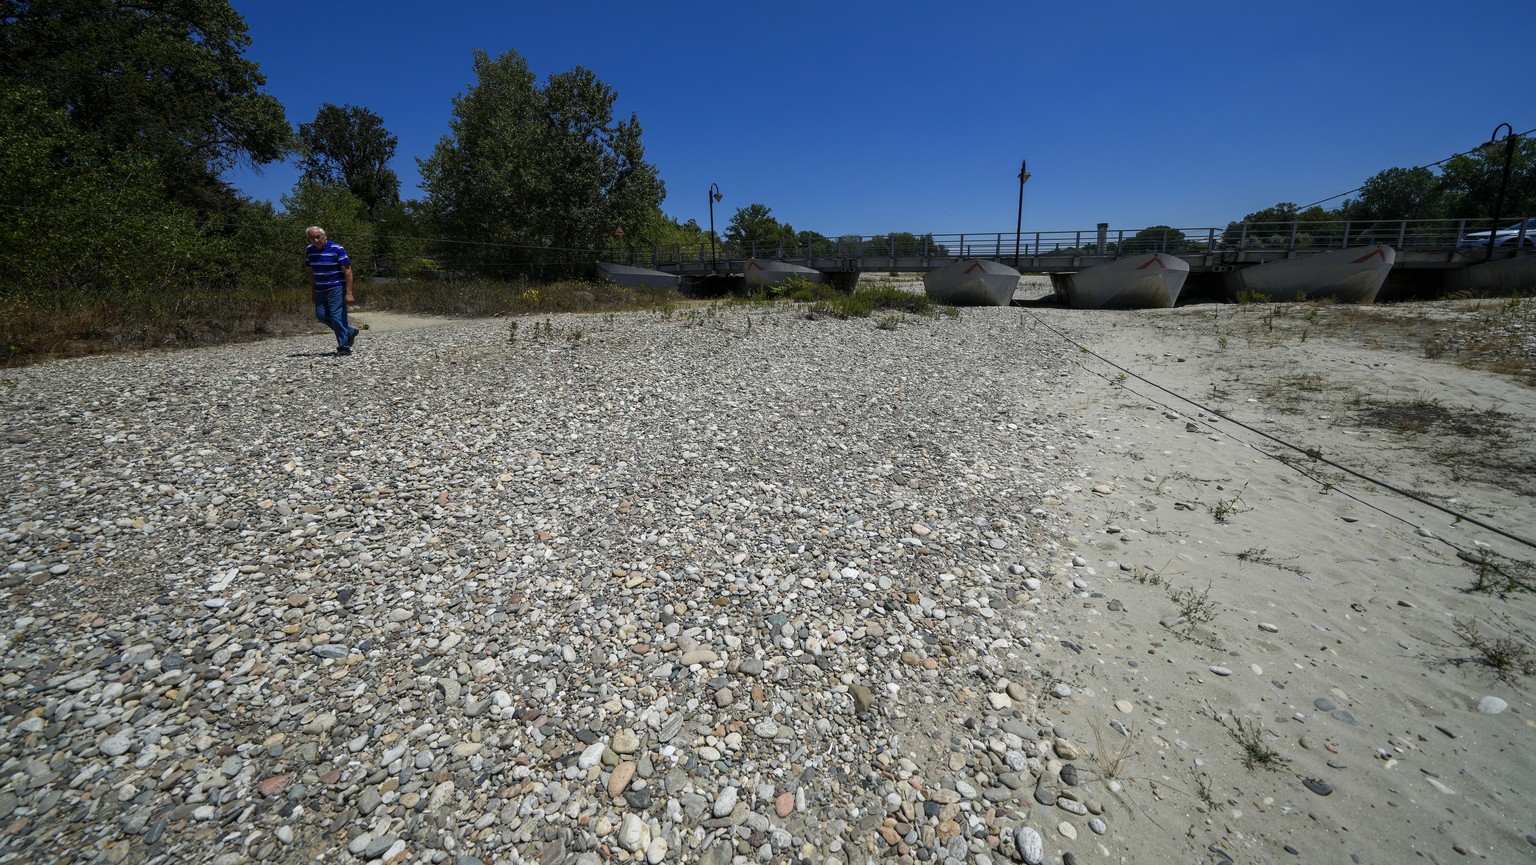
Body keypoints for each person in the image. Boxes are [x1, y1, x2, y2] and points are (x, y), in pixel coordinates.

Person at [304, 226, 359, 355]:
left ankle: (343, 347)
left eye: (318, 237)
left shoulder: (337, 249)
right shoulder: (309, 250)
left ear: (324, 236)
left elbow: (348, 271)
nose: (316, 240)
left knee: (336, 316)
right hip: (320, 289)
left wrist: (349, 292)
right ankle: (349, 332)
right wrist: (313, 290)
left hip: (336, 287)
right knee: (321, 315)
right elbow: (311, 272)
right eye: (312, 238)